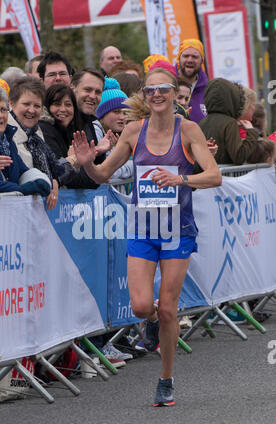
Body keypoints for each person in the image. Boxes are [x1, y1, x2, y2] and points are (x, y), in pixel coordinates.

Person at [72, 67, 222, 406]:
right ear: (144, 94)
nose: (157, 95)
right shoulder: (132, 132)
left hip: (176, 231)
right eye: (151, 90)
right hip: (141, 229)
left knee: (169, 308)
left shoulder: (189, 131)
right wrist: (86, 164)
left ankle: (166, 379)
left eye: (163, 89)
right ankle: (151, 321)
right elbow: (102, 176)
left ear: (172, 93)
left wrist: (181, 181)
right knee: (142, 305)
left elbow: (213, 176)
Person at [8, 76, 77, 209]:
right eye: (26, 104)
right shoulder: (5, 134)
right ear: (12, 103)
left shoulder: (36, 133)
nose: (32, 110)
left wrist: (54, 180)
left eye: (37, 106)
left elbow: (53, 171)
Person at [0, 84, 50, 197]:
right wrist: (19, 189)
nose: (0, 115)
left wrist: (40, 179)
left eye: (3, 110)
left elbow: (22, 171)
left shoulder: (6, 140)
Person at [199, 78, 259, 165]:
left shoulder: (202, 122)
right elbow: (239, 156)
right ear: (232, 98)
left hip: (208, 174)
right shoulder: (229, 123)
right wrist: (251, 132)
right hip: (226, 177)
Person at [94, 77, 133, 193]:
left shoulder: (125, 133)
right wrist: (134, 166)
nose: (122, 117)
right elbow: (108, 171)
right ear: (102, 113)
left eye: (125, 112)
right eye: (116, 112)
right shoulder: (94, 130)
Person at [175, 39, 208, 123]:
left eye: (195, 57)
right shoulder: (167, 85)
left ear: (202, 61)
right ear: (179, 58)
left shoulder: (208, 90)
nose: (190, 60)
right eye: (186, 56)